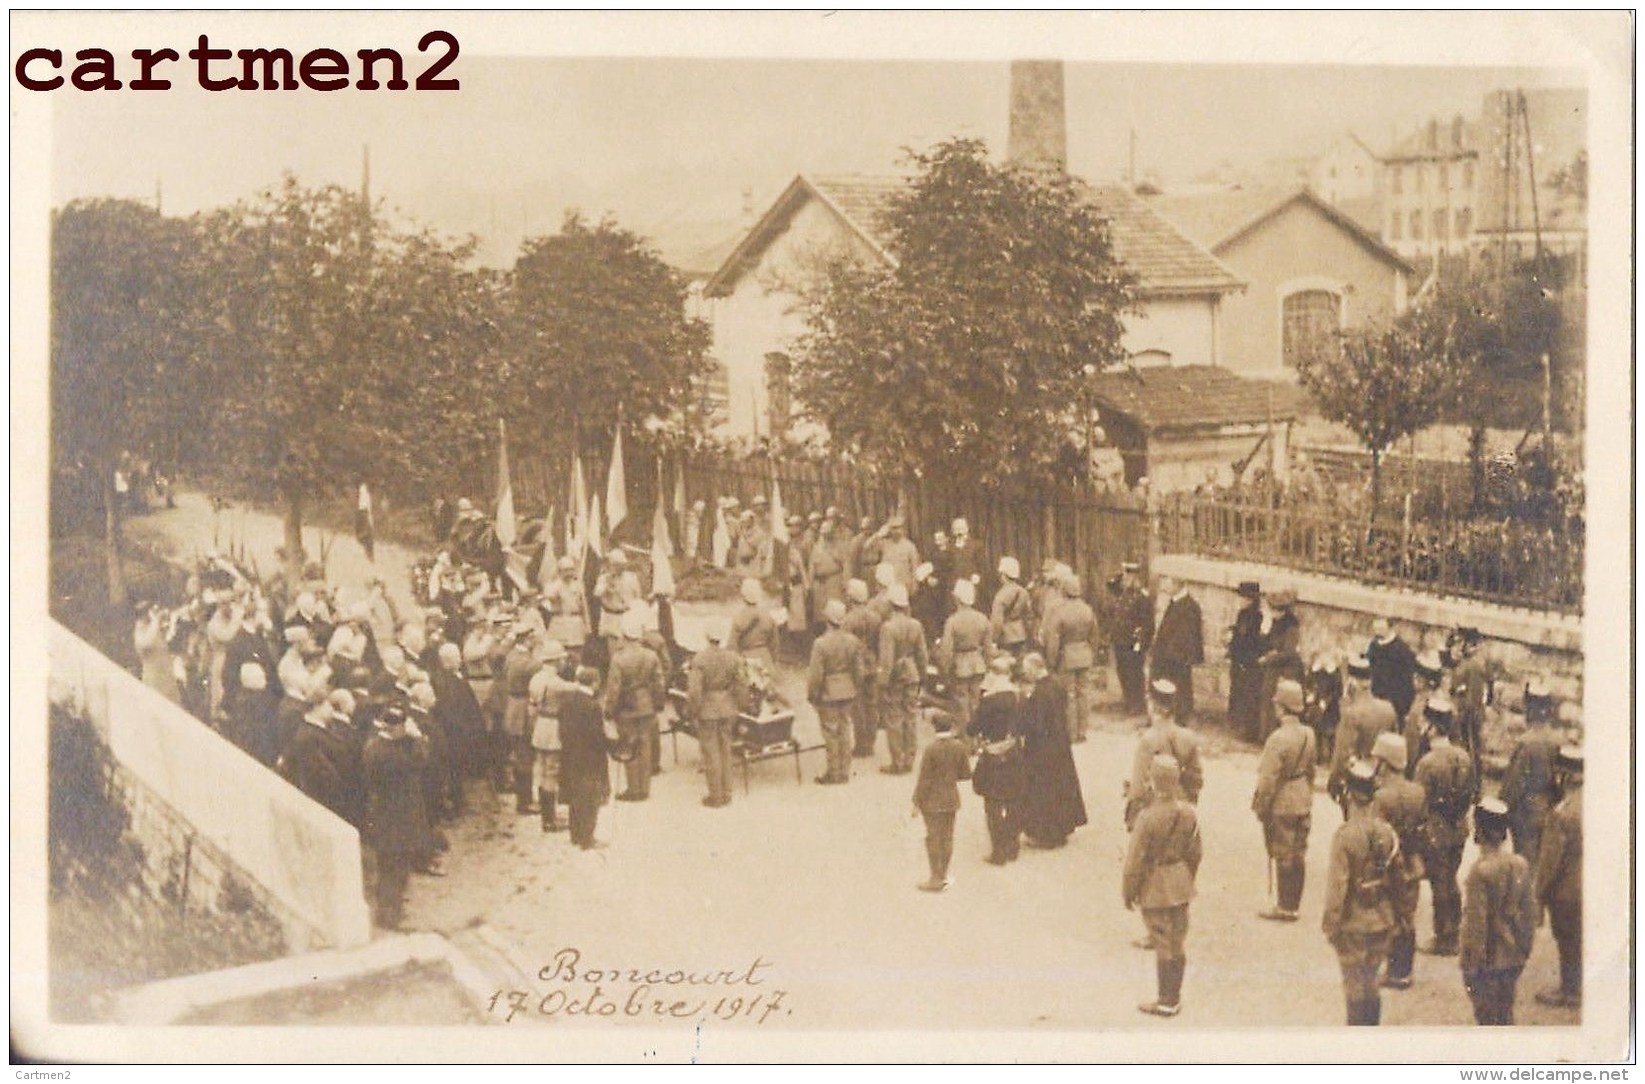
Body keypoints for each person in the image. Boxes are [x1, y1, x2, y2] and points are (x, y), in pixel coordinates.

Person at [1322, 760, 1401, 1026]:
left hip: (1354, 923)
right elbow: (1397, 880)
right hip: (1382, 919)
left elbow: (1337, 888)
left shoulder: (1345, 836)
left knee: (1354, 986)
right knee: (1371, 982)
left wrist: (1331, 925)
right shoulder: (1387, 832)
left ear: (1349, 795)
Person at [1124, 755, 1203, 1018]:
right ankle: (1175, 997)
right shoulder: (1188, 812)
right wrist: (1186, 877)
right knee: (1178, 939)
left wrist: (1129, 891)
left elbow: (1134, 860)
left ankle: (1166, 1000)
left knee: (1162, 941)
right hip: (1181, 882)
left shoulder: (1147, 817)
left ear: (1152, 782)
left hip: (1156, 884)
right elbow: (1196, 852)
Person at [1459, 797, 1538, 1025]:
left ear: (1479, 832)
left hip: (1486, 963)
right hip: (1512, 957)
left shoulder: (1479, 872)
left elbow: (1475, 926)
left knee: (1486, 1018)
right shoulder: (1520, 864)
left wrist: (1469, 964)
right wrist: (1523, 951)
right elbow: (1529, 917)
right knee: (1505, 1013)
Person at [360, 706, 433, 930]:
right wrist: (419, 738)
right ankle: (389, 916)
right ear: (396, 727)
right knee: (395, 868)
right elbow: (420, 762)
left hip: (387, 816)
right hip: (395, 819)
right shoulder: (388, 753)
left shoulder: (376, 746)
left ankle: (391, 912)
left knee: (390, 867)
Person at [1413, 698, 1475, 957]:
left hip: (1435, 828)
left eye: (1425, 722)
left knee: (1440, 881)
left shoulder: (1427, 763)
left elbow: (1419, 801)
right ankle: (1455, 930)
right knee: (1450, 877)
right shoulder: (1463, 756)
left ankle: (1445, 936)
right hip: (1458, 826)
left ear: (1433, 727)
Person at [1252, 679, 1316, 922]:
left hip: (1282, 801)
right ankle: (1294, 904)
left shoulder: (1277, 738)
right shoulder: (1309, 734)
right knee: (1299, 851)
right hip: (1302, 797)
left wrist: (1260, 806)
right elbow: (1311, 770)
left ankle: (1284, 906)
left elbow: (1267, 779)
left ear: (1282, 708)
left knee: (1283, 852)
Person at [1370, 732, 1426, 991]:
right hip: (1413, 863)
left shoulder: (1382, 797)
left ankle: (1393, 971)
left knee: (1388, 916)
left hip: (1391, 865)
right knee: (1407, 916)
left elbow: (1378, 838)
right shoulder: (1418, 792)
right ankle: (1403, 970)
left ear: (1384, 763)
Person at [1015, 652, 1088, 849]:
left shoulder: (1039, 693)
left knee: (1044, 791)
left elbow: (1035, 723)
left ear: (1033, 668)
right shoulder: (1057, 684)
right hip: (1060, 744)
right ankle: (1062, 828)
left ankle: (1047, 834)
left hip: (1042, 748)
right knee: (1061, 786)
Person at [1534, 745, 1583, 1010]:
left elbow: (1549, 862)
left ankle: (1570, 990)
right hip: (1587, 884)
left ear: (1563, 775)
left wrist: (1538, 893)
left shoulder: (1561, 814)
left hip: (1566, 891)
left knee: (1567, 939)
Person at [1499, 681, 1563, 868]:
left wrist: (1503, 808)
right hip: (1547, 809)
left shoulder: (1526, 743)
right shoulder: (1556, 740)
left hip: (1525, 812)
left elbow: (1514, 783)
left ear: (1530, 709)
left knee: (1524, 862)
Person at [968, 656, 1025, 865]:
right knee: (1014, 800)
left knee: (992, 804)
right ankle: (1012, 845)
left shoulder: (989, 701)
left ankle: (998, 851)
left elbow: (973, 728)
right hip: (1014, 751)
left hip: (993, 754)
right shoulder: (1019, 697)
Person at [1126, 680, 1203, 832]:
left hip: (1154, 807)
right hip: (1181, 806)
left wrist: (1132, 818)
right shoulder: (1188, 737)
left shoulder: (1148, 739)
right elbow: (1196, 777)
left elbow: (1138, 786)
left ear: (1153, 706)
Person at [603, 611, 665, 802]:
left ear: (624, 636)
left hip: (627, 707)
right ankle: (644, 788)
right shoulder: (651, 656)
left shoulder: (619, 658)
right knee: (645, 745)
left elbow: (614, 689)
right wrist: (658, 703)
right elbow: (659, 683)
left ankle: (633, 788)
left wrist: (609, 710)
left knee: (629, 745)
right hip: (647, 704)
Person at [1328, 657, 1399, 816]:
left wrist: (1333, 784)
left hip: (1358, 782)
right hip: (1382, 780)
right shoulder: (1388, 708)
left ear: (1352, 682)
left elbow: (1342, 755)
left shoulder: (1351, 714)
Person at [911, 710, 971, 892]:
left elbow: (924, 779)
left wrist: (916, 802)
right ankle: (943, 874)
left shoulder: (931, 750)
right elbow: (965, 774)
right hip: (951, 798)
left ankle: (935, 877)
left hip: (932, 801)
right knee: (947, 837)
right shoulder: (960, 747)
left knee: (933, 838)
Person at [807, 600, 863, 785]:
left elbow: (816, 674)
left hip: (828, 692)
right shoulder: (852, 641)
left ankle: (834, 772)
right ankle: (845, 771)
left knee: (830, 732)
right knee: (845, 729)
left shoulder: (820, 644)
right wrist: (855, 687)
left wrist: (812, 695)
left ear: (827, 619)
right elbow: (858, 670)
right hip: (848, 690)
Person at [687, 620, 741, 808]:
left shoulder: (700, 659)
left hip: (708, 709)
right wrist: (738, 705)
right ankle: (727, 792)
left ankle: (715, 795)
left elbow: (695, 691)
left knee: (711, 753)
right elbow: (741, 683)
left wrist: (692, 711)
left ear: (707, 637)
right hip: (727, 707)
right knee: (726, 749)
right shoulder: (733, 657)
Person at [559, 666, 612, 850]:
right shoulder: (593, 706)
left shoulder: (567, 701)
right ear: (595, 682)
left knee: (574, 795)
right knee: (590, 799)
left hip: (570, 755)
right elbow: (597, 736)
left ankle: (575, 834)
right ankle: (587, 839)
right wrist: (609, 746)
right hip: (589, 758)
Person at [1041, 572, 1098, 744]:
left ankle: (1071, 733)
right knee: (1084, 694)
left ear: (1064, 591)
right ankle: (1082, 731)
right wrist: (1091, 654)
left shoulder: (1060, 611)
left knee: (1069, 695)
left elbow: (1053, 639)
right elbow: (1094, 635)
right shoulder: (1087, 609)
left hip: (1067, 657)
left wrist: (1051, 661)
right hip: (1084, 655)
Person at [877, 584, 928, 775]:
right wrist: (923, 676)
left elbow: (886, 659)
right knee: (911, 716)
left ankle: (897, 761)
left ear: (891, 604)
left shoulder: (888, 628)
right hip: (913, 672)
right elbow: (922, 654)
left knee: (894, 718)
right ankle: (909, 759)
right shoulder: (915, 625)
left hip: (896, 675)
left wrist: (883, 682)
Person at [527, 640, 571, 832]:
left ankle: (547, 816)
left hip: (540, 726)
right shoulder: (556, 683)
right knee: (551, 772)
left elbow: (532, 709)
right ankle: (549, 819)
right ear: (555, 662)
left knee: (543, 769)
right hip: (553, 727)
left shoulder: (536, 679)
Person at [938, 580, 992, 733]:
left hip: (960, 664)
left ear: (957, 599)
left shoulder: (953, 621)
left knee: (961, 703)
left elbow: (946, 650)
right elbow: (988, 647)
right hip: (978, 663)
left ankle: (965, 737)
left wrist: (945, 669)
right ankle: (977, 736)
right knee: (976, 702)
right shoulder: (982, 619)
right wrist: (988, 665)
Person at [1150, 576, 1204, 724]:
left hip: (1179, 656)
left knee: (1181, 687)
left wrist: (1173, 654)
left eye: (1168, 584)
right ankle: (1167, 716)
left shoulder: (1189, 606)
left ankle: (1181, 718)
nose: (1165, 587)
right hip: (1168, 654)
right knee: (1167, 686)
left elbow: (1186, 635)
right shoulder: (1175, 602)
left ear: (1177, 585)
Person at [499, 624, 541, 814]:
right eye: (532, 637)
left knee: (522, 756)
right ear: (526, 639)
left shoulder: (512, 655)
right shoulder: (524, 662)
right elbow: (537, 668)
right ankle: (525, 802)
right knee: (525, 757)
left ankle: (524, 799)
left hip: (514, 708)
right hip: (521, 709)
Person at [841, 579, 882, 759]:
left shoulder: (848, 619)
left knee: (857, 705)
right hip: (872, 661)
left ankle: (861, 744)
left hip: (855, 664)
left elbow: (844, 644)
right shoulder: (875, 617)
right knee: (871, 704)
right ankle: (870, 743)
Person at [1256, 587, 1303, 741]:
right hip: (1273, 668)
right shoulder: (1275, 622)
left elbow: (1289, 652)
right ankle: (1266, 736)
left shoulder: (1291, 626)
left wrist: (1269, 658)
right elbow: (1268, 643)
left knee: (1278, 702)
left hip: (1285, 670)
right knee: (1267, 701)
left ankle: (1275, 737)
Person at [1448, 628, 1490, 782]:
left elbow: (1473, 700)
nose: (1456, 647)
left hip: (1466, 720)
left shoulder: (1473, 666)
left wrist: (1460, 719)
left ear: (1471, 645)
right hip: (1461, 716)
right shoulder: (1465, 663)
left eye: (1460, 642)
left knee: (1469, 752)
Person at [1111, 563, 1153, 717]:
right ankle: (1128, 700)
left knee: (1134, 672)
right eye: (1125, 575)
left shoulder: (1142, 596)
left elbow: (1147, 623)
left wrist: (1142, 643)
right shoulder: (1122, 592)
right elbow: (1110, 584)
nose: (1127, 579)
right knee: (1122, 671)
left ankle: (1137, 704)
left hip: (1133, 642)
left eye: (1130, 575)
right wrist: (1119, 574)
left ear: (1136, 577)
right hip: (1120, 639)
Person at [1226, 581, 1265, 740]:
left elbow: (1254, 640)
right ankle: (1236, 722)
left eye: (1243, 598)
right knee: (1236, 690)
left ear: (1251, 600)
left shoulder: (1257, 617)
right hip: (1238, 658)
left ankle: (1247, 729)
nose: (1240, 601)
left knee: (1248, 694)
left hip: (1249, 661)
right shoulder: (1242, 614)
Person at [1366, 619, 1417, 724]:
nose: (1377, 632)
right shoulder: (1374, 645)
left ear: (1390, 628)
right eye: (1375, 629)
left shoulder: (1402, 650)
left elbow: (1407, 680)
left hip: (1393, 701)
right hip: (1375, 697)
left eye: (1381, 629)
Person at [594, 550, 642, 652]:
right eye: (615, 564)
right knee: (614, 649)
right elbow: (597, 594)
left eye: (621, 565)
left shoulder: (631, 577)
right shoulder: (604, 578)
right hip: (612, 616)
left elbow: (638, 597)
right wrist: (608, 583)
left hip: (628, 616)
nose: (618, 567)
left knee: (630, 647)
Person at [542, 557, 590, 660]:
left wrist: (587, 624)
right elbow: (549, 595)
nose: (569, 573)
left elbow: (584, 606)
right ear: (559, 571)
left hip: (576, 622)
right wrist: (559, 582)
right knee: (560, 654)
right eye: (566, 570)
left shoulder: (578, 584)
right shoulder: (553, 585)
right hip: (560, 621)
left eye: (571, 569)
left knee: (577, 654)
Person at [134, 602, 182, 704]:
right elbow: (147, 643)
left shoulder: (156, 629)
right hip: (154, 680)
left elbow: (169, 639)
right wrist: (155, 621)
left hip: (167, 679)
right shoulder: (140, 631)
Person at [729, 577, 778, 669]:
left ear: (743, 596)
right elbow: (774, 645)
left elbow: (732, 646)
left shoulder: (739, 618)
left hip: (746, 659)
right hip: (764, 659)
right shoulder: (768, 617)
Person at [989, 556, 1032, 659]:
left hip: (1005, 637)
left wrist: (993, 639)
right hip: (1021, 634)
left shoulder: (1001, 595)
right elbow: (1029, 615)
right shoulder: (1023, 592)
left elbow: (997, 621)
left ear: (1003, 574)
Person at [878, 516, 920, 593]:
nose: (897, 531)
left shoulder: (909, 546)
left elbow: (915, 566)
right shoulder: (884, 544)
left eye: (899, 528)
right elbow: (867, 546)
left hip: (904, 585)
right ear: (889, 530)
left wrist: (915, 583)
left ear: (903, 529)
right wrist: (880, 533)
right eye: (894, 528)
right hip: (888, 585)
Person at [910, 562, 947, 648]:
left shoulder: (940, 594)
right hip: (931, 638)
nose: (935, 579)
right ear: (926, 579)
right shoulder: (923, 599)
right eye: (932, 576)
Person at [947, 518, 984, 599]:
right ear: (952, 531)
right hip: (954, 585)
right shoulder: (949, 547)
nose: (959, 531)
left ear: (967, 529)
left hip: (971, 584)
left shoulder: (976, 545)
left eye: (961, 528)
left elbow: (982, 566)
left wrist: (978, 576)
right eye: (956, 529)